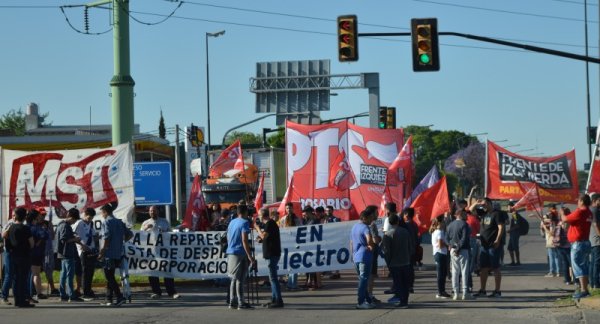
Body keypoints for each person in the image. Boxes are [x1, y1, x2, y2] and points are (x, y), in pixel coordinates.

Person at [141, 205, 180, 299]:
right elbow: (140, 236)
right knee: (153, 272)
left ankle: (172, 292)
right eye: (150, 211)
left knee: (167, 271)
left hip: (163, 251)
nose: (152, 212)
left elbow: (170, 235)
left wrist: (164, 232)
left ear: (157, 211)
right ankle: (156, 292)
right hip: (151, 252)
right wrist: (145, 228)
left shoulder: (164, 222)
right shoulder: (145, 223)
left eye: (154, 211)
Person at [98, 203, 132, 307]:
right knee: (111, 276)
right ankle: (109, 298)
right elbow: (130, 234)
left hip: (109, 253)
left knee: (109, 276)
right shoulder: (119, 222)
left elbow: (107, 238)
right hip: (118, 253)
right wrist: (120, 242)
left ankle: (119, 296)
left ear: (105, 212)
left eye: (102, 213)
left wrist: (102, 251)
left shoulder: (106, 222)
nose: (102, 215)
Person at [561, 194, 593, 299]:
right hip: (585, 242)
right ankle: (585, 288)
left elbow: (565, 219)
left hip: (578, 243)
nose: (577, 203)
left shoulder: (580, 211)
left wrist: (562, 213)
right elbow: (574, 220)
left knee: (578, 267)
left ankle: (584, 290)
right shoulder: (588, 212)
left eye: (578, 201)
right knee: (584, 266)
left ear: (582, 201)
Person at [471, 198, 504, 298]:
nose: (484, 206)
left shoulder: (496, 213)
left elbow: (501, 227)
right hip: (484, 245)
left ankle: (497, 291)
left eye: (485, 204)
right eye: (483, 205)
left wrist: (498, 240)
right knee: (483, 268)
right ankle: (482, 290)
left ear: (490, 203)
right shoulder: (483, 213)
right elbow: (470, 210)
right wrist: (477, 203)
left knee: (495, 268)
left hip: (493, 245)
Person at [226, 204, 255, 310]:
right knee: (240, 279)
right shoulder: (244, 222)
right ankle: (240, 302)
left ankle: (233, 301)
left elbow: (228, 237)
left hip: (232, 251)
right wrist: (250, 256)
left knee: (234, 278)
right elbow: (244, 240)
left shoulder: (232, 222)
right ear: (245, 212)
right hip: (240, 252)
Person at [254, 208, 284, 308]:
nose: (258, 217)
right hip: (271, 253)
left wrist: (257, 228)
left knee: (273, 278)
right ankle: (274, 298)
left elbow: (264, 235)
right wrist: (260, 239)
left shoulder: (270, 223)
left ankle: (278, 300)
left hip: (273, 254)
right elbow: (267, 237)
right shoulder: (269, 224)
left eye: (259, 215)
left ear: (263, 215)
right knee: (272, 278)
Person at [382, 213, 413, 308]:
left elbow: (387, 251)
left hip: (394, 263)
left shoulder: (387, 235)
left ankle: (402, 301)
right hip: (406, 261)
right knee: (405, 283)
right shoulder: (405, 232)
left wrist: (388, 263)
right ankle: (405, 301)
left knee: (398, 283)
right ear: (398, 221)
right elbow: (410, 247)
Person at [6, 207, 35, 307]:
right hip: (24, 256)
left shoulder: (11, 227)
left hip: (13, 255)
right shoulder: (26, 228)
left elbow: (7, 241)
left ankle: (17, 300)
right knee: (23, 279)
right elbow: (31, 243)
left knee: (15, 278)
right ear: (24, 217)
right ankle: (22, 300)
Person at [56, 208, 84, 302]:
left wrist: (73, 237)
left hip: (62, 254)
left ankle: (63, 294)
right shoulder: (65, 226)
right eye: (74, 220)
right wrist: (75, 239)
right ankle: (71, 295)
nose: (74, 222)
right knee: (69, 275)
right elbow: (63, 239)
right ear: (71, 217)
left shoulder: (61, 224)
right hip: (67, 253)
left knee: (63, 274)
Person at [350, 209, 375, 309]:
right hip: (365, 256)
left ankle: (367, 300)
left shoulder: (354, 227)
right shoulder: (365, 227)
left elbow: (351, 242)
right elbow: (369, 239)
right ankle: (360, 302)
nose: (371, 220)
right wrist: (371, 245)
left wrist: (352, 255)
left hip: (356, 256)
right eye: (370, 218)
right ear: (365, 218)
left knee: (362, 279)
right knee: (364, 280)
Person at [447, 210, 473, 300]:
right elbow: (464, 238)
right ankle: (465, 292)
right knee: (464, 271)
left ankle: (455, 293)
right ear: (460, 214)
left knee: (454, 272)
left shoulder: (450, 225)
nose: (467, 216)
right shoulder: (464, 224)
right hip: (463, 250)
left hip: (453, 250)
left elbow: (447, 238)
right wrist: (459, 248)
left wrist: (451, 246)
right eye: (465, 214)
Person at [73, 208, 98, 300]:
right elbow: (73, 235)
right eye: (88, 217)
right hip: (83, 251)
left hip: (91, 250)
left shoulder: (91, 223)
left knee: (90, 272)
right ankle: (85, 292)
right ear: (85, 214)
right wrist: (81, 245)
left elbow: (94, 235)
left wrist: (96, 244)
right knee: (85, 272)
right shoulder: (79, 223)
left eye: (91, 218)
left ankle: (88, 289)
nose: (90, 219)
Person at [279, 202, 301, 290]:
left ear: (293, 209)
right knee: (288, 264)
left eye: (290, 208)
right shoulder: (283, 219)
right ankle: (289, 283)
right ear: (285, 209)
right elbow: (281, 230)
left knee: (294, 263)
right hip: (286, 244)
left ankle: (293, 284)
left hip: (295, 244)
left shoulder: (297, 219)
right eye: (287, 208)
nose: (289, 210)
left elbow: (301, 229)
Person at [28, 209, 49, 302]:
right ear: (36, 217)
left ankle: (34, 292)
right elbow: (45, 235)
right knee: (35, 274)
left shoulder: (27, 226)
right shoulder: (35, 227)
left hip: (28, 253)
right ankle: (36, 293)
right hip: (36, 253)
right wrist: (44, 229)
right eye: (39, 215)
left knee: (33, 273)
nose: (41, 217)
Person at [430, 216, 451, 299]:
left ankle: (442, 290)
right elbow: (440, 244)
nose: (444, 223)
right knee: (441, 273)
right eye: (443, 222)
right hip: (440, 253)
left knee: (442, 273)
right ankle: (440, 291)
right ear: (440, 222)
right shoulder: (439, 232)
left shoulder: (436, 231)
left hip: (439, 253)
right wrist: (447, 245)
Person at [402, 208, 418, 293]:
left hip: (407, 250)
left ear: (407, 215)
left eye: (404, 214)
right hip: (413, 249)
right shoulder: (414, 224)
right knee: (410, 269)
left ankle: (407, 286)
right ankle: (410, 286)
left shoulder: (406, 225)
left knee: (406, 269)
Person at [1, 210, 16, 305]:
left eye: (16, 215)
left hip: (17, 252)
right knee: (9, 275)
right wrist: (9, 228)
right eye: (13, 215)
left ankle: (17, 295)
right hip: (9, 252)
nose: (14, 217)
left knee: (16, 275)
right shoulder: (9, 223)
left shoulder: (23, 223)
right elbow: (3, 235)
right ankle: (4, 296)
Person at [324, 206, 341, 280]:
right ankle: (329, 270)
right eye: (327, 210)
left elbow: (337, 229)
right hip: (326, 240)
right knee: (327, 255)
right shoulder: (324, 219)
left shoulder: (336, 219)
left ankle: (336, 272)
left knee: (335, 256)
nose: (328, 212)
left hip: (334, 240)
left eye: (329, 210)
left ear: (332, 211)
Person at [542, 213, 560, 277]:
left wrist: (545, 228)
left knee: (551, 257)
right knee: (556, 257)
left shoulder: (552, 223)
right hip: (555, 241)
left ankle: (552, 271)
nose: (546, 219)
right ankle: (558, 271)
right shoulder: (556, 222)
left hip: (551, 241)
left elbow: (552, 233)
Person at [589, 194, 600, 289]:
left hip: (592, 240)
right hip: (597, 240)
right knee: (597, 262)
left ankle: (592, 282)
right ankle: (596, 283)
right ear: (595, 200)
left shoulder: (590, 210)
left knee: (593, 262)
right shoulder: (595, 210)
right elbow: (596, 224)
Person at [507, 202, 522, 266]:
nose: (507, 208)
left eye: (508, 207)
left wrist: (509, 230)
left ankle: (518, 261)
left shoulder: (514, 214)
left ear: (511, 207)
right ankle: (513, 261)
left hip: (515, 234)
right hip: (512, 234)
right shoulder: (513, 214)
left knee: (515, 247)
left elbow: (517, 225)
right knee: (510, 248)